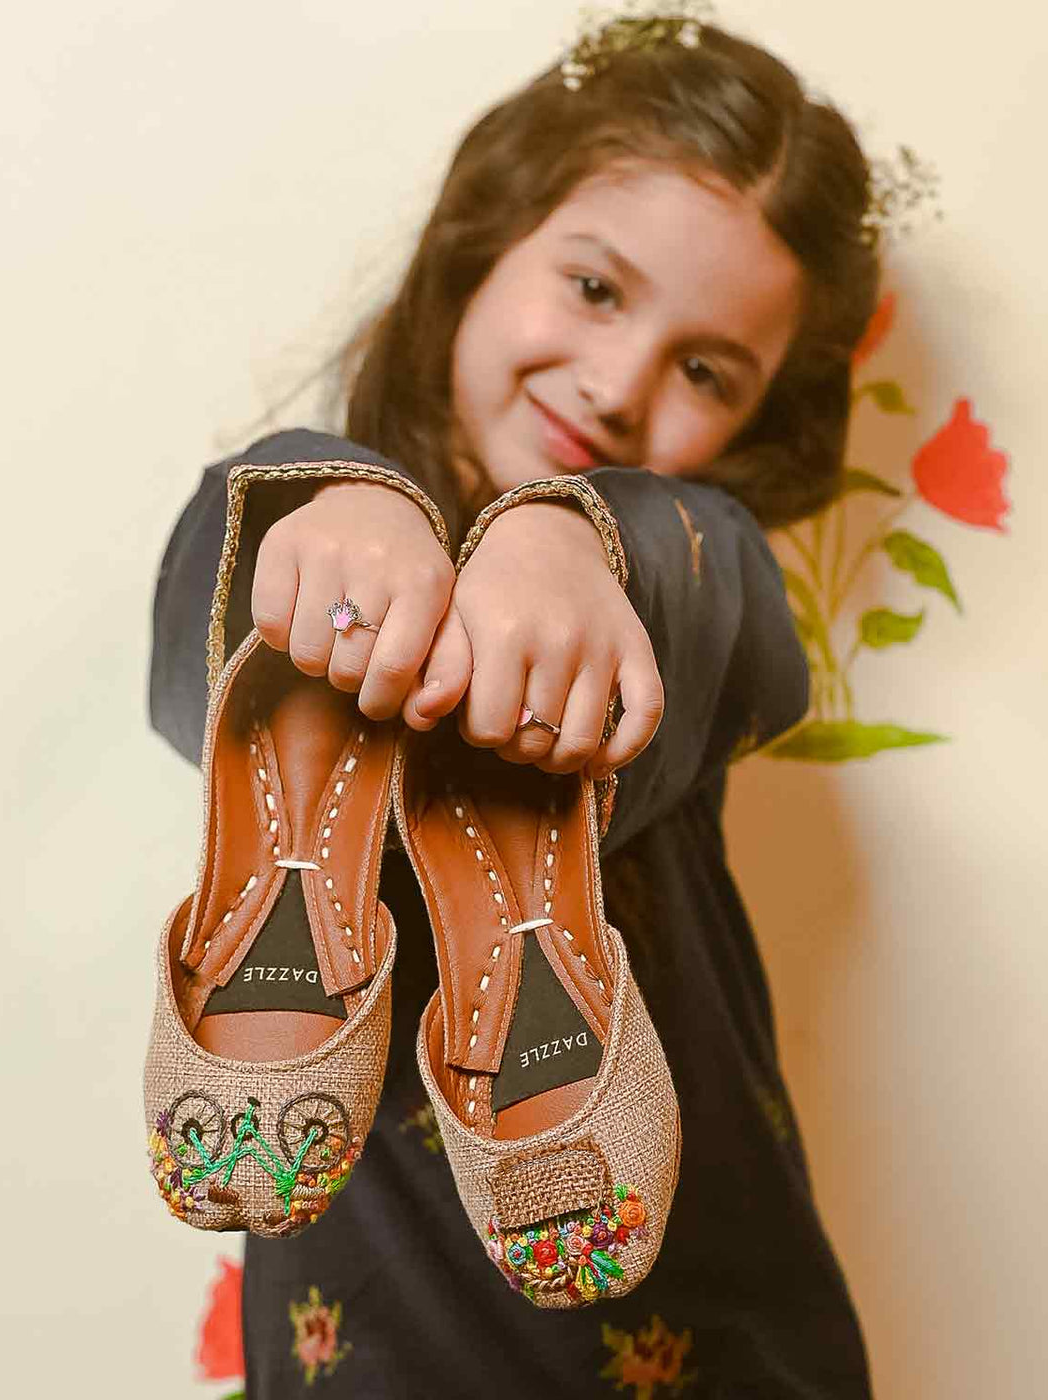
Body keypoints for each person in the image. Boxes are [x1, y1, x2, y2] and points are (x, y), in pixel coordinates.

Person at [149, 13, 878, 1397]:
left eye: (706, 370)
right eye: (596, 289)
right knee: (271, 516)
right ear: (486, 238)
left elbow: (711, 603)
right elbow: (205, 616)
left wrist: (571, 537)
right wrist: (331, 495)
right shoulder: (279, 528)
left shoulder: (702, 555)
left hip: (724, 1357)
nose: (617, 385)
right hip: (361, 1360)